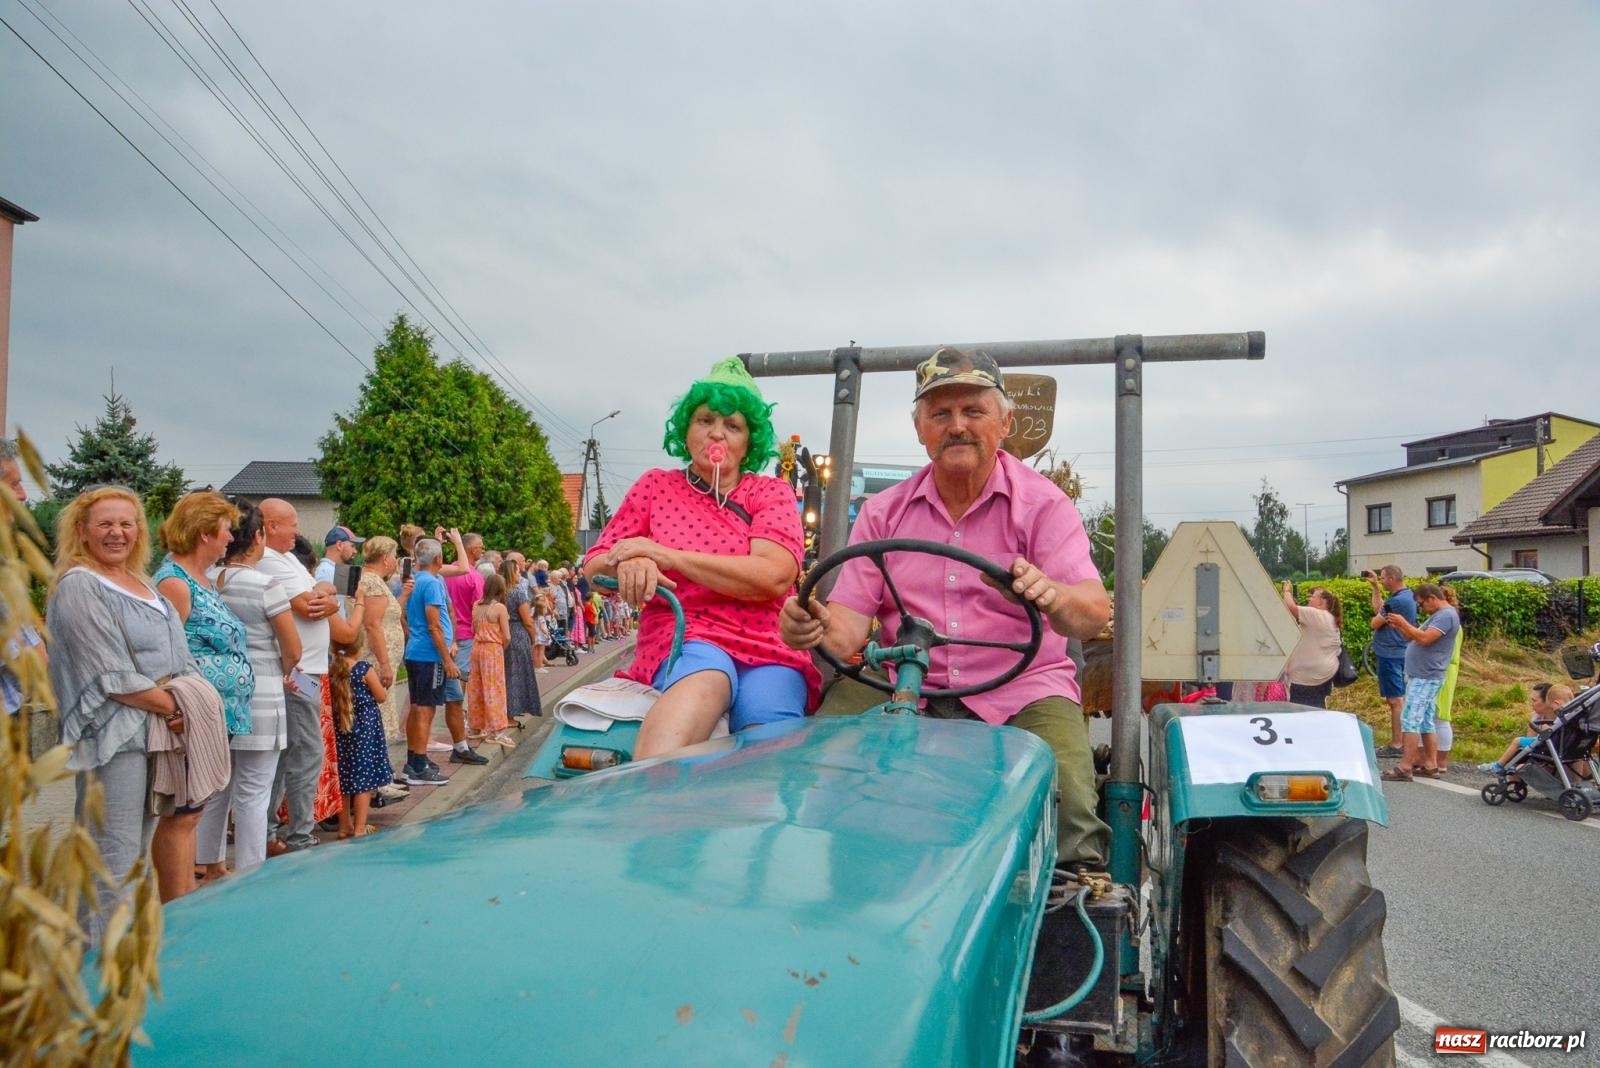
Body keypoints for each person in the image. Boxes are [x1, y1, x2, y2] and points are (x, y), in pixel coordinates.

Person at [779, 347, 1111, 870]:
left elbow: (1092, 612)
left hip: (1021, 690)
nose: (957, 426)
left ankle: (1070, 918)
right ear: (920, 429)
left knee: (1067, 797)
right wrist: (809, 624)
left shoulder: (1045, 506)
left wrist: (1053, 594)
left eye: (973, 411)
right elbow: (842, 635)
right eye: (941, 413)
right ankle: (843, 897)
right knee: (821, 767)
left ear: (1004, 423)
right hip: (901, 686)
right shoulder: (884, 513)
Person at [584, 356, 819, 759]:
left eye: (733, 425)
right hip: (685, 634)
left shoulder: (769, 493)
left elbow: (773, 575)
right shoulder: (656, 486)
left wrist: (665, 555)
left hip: (768, 642)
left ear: (749, 440)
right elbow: (595, 563)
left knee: (771, 725)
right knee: (704, 682)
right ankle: (646, 807)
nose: (717, 434)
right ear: (687, 429)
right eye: (706, 420)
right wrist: (627, 562)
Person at [47, 486, 203, 939]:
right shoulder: (80, 584)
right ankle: (93, 972)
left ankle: (125, 964)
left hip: (156, 737)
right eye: (105, 524)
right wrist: (178, 705)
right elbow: (108, 674)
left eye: (126, 523)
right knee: (107, 860)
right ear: (81, 531)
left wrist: (185, 702)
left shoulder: (144, 585)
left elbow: (182, 656)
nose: (117, 533)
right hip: (115, 741)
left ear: (140, 531)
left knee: (135, 859)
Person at [153, 491, 254, 898]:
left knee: (193, 813)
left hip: (213, 715)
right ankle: (176, 906)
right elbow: (162, 653)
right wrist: (173, 706)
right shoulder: (175, 583)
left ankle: (184, 896)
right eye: (227, 530)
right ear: (204, 534)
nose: (231, 538)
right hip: (189, 717)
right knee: (183, 814)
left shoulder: (201, 579)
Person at [200, 499, 299, 876]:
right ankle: (250, 870)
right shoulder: (265, 585)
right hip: (263, 692)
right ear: (257, 536)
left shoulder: (208, 579)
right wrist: (289, 669)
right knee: (255, 790)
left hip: (220, 695)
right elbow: (291, 647)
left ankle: (208, 861)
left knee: (217, 787)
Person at [256, 499, 336, 853]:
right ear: (270, 525)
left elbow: (323, 595)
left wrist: (327, 596)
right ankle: (297, 835)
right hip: (296, 672)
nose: (298, 531)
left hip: (308, 669)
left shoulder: (288, 558)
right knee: (305, 751)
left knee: (292, 751)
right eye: (291, 524)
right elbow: (310, 607)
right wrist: (326, 599)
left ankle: (274, 830)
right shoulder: (270, 559)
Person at [1379, 583, 1460, 783]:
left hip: (1426, 675)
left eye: (1422, 604)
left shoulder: (1445, 616)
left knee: (1410, 719)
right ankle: (1430, 764)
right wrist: (1399, 625)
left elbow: (1424, 639)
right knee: (1425, 721)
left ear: (1432, 598)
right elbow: (1414, 636)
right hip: (1425, 674)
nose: (1421, 609)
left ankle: (1405, 766)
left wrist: (1404, 623)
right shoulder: (1439, 615)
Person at [400, 538, 457, 786]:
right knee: (426, 710)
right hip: (430, 655)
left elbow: (403, 614)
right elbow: (434, 625)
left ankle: (413, 759)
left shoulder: (413, 580)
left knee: (417, 707)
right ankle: (419, 766)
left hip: (415, 651)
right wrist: (447, 659)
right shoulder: (432, 583)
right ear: (438, 559)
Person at [330, 628, 392, 838]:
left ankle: (344, 825)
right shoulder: (364, 669)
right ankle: (359, 827)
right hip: (364, 729)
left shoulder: (333, 670)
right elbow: (381, 697)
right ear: (359, 647)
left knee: (345, 778)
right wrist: (384, 687)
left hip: (341, 730)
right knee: (363, 779)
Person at [442, 530, 490, 766]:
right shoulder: (474, 577)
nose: (482, 550)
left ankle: (459, 735)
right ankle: (461, 737)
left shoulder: (445, 572)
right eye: (481, 547)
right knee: (458, 690)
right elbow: (478, 610)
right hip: (465, 634)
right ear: (472, 550)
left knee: (448, 689)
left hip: (445, 635)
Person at [358, 536, 408, 742]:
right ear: (386, 559)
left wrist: (404, 595)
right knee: (377, 711)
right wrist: (385, 664)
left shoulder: (372, 580)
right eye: (395, 556)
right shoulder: (373, 583)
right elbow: (372, 624)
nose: (396, 561)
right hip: (376, 658)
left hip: (379, 656)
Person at [1366, 565, 1416, 756]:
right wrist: (1376, 587)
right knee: (1398, 698)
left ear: (1393, 578)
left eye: (1384, 578)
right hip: (1399, 651)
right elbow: (1378, 610)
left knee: (1395, 700)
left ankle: (1397, 744)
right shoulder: (1403, 596)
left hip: (1391, 654)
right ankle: (1402, 742)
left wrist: (1380, 617)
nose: (1383, 580)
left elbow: (1374, 622)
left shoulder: (1397, 602)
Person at [1477, 682, 1572, 774]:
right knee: (1517, 766)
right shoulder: (1569, 715)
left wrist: (1545, 728)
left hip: (1551, 746)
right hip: (1554, 746)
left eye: (1534, 701)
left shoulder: (1561, 716)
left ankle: (1498, 765)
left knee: (1517, 741)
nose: (1531, 704)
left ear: (1549, 702)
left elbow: (1548, 734)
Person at [467, 573, 515, 747]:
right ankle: (496, 730)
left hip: (476, 647)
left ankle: (475, 726)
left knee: (476, 687)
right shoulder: (500, 608)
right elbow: (507, 636)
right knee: (495, 688)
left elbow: (473, 628)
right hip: (492, 649)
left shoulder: (476, 605)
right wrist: (501, 646)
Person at [1280, 582, 1342, 709]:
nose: (1309, 599)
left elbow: (1291, 607)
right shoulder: (1329, 617)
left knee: (1302, 711)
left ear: (1321, 601)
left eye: (1312, 596)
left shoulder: (1316, 614)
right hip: (1323, 675)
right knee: (1317, 708)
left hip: (1307, 678)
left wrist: (1286, 590)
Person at [501, 557, 543, 718]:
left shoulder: (499, 591)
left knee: (506, 673)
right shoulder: (518, 592)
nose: (520, 574)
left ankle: (505, 709)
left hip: (502, 631)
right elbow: (528, 621)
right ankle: (515, 709)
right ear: (513, 573)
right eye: (518, 571)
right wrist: (533, 638)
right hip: (518, 632)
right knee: (519, 673)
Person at [1432, 586, 1466, 773]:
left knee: (1441, 716)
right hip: (1443, 668)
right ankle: (1433, 758)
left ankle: (1441, 761)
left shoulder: (1448, 621)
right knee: (1435, 716)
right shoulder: (1447, 619)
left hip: (1443, 669)